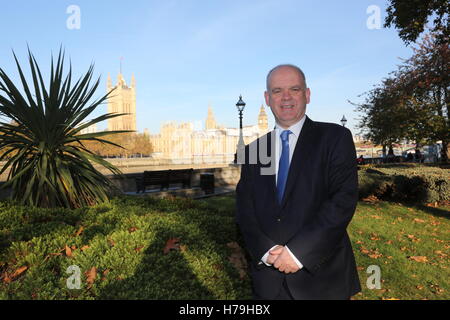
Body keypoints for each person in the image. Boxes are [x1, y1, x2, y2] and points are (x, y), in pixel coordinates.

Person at [236, 64, 361, 300]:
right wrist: (266, 251)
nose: (286, 97)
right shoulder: (255, 151)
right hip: (269, 282)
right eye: (277, 91)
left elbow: (342, 201)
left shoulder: (335, 138)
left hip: (323, 280)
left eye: (294, 89)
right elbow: (245, 210)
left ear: (307, 94)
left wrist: (298, 253)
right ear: (267, 98)